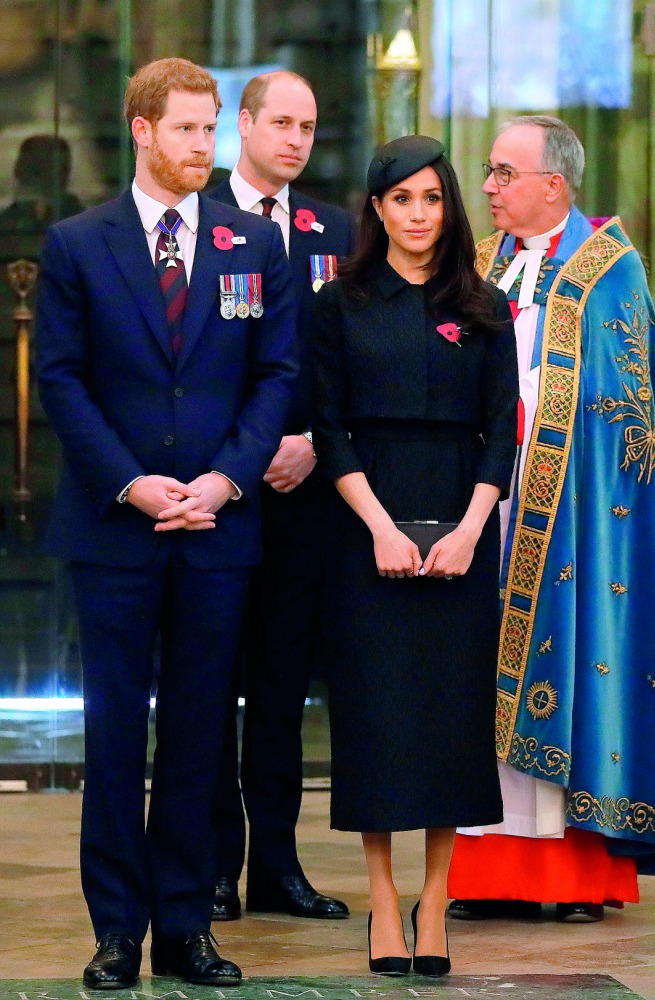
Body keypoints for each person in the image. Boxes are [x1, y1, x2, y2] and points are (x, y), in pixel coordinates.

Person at [35, 58, 297, 988]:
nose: (205, 146)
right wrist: (133, 484)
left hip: (219, 531)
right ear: (142, 130)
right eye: (187, 129)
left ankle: (187, 925)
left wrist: (226, 480)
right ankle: (117, 931)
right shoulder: (78, 243)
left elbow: (275, 374)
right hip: (115, 533)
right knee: (113, 736)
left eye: (211, 127)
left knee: (196, 733)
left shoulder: (251, 243)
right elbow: (58, 379)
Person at [447, 115, 655, 924]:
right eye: (491, 173)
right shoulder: (488, 262)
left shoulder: (611, 271)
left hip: (576, 517)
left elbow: (624, 410)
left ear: (553, 186)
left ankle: (572, 874)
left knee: (579, 661)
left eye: (503, 173)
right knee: (478, 676)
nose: (489, 187)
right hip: (490, 507)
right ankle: (484, 869)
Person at [310, 135, 519, 976]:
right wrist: (381, 529)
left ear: (450, 206)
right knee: (376, 713)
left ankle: (437, 899)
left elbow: (501, 428)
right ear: (377, 209)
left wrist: (470, 532)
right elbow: (328, 429)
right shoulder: (339, 302)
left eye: (432, 200)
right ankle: (385, 900)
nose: (419, 215)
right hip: (368, 522)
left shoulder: (485, 303)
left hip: (463, 518)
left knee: (447, 715)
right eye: (402, 200)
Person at [208, 69, 356, 921]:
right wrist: (245, 454)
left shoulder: (334, 229)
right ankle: (216, 866)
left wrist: (312, 445)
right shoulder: (206, 223)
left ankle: (279, 866)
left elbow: (343, 362)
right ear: (245, 125)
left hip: (305, 493)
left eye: (309, 124)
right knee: (213, 686)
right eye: (282, 122)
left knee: (280, 691)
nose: (296, 139)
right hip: (223, 492)